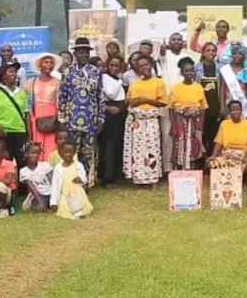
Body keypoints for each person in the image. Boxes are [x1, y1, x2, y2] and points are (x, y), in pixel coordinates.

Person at [58, 37, 106, 186]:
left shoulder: (96, 72)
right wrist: (62, 120)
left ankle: (83, 183)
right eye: (80, 52)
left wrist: (101, 119)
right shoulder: (67, 72)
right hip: (72, 120)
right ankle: (69, 182)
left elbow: (100, 97)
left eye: (86, 52)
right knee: (71, 152)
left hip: (90, 120)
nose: (83, 55)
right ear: (76, 53)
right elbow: (62, 97)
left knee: (87, 153)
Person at [124, 56, 167, 187]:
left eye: (146, 65)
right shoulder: (135, 83)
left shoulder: (158, 82)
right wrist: (133, 102)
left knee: (151, 149)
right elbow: (129, 101)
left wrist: (146, 100)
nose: (144, 68)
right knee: (137, 150)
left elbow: (163, 102)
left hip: (150, 120)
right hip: (137, 120)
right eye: (141, 66)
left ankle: (153, 179)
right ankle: (138, 178)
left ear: (151, 65)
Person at [159, 32, 195, 174]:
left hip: (184, 103)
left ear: (183, 42)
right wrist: (162, 51)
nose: (176, 42)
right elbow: (161, 57)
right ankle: (167, 168)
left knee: (184, 136)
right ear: (169, 41)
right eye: (173, 39)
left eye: (179, 40)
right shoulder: (164, 56)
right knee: (167, 134)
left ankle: (183, 165)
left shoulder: (187, 57)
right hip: (167, 102)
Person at [0, 62, 29, 166]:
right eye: (11, 71)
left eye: (15, 72)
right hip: (2, 132)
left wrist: (29, 135)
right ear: (3, 75)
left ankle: (20, 182)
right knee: (3, 161)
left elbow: (26, 115)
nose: (14, 74)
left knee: (21, 161)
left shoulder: (21, 93)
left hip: (19, 132)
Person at [169, 57, 208, 170]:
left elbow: (203, 107)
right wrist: (173, 125)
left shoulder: (198, 87)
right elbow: (171, 108)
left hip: (195, 121)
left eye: (191, 70)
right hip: (180, 121)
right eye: (187, 71)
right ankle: (178, 169)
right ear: (182, 72)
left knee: (195, 145)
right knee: (180, 144)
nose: (190, 73)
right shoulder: (176, 87)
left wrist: (201, 125)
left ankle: (192, 170)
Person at [26, 52, 62, 161]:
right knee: (37, 147)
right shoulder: (31, 82)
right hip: (36, 117)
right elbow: (28, 103)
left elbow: (60, 103)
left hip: (51, 118)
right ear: (40, 65)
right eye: (46, 62)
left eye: (51, 63)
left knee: (51, 147)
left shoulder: (58, 82)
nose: (49, 65)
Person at [99, 56, 127, 186]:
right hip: (110, 113)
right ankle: (107, 176)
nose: (114, 68)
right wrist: (120, 80)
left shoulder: (115, 79)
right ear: (107, 65)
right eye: (112, 65)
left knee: (117, 144)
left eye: (117, 66)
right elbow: (110, 93)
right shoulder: (105, 78)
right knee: (109, 145)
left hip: (119, 113)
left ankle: (116, 174)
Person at [50, 141, 94, 219]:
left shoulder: (78, 165)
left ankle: (80, 212)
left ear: (74, 153)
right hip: (65, 194)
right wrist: (54, 202)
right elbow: (55, 185)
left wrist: (80, 179)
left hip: (77, 193)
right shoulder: (58, 168)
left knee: (80, 208)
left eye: (71, 152)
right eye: (66, 152)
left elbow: (84, 178)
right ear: (60, 153)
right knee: (66, 210)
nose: (68, 154)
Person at [209, 100, 247, 169]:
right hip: (227, 153)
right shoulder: (224, 124)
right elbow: (219, 142)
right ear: (229, 112)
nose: (235, 112)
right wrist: (214, 155)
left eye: (238, 110)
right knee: (212, 163)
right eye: (232, 110)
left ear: (241, 111)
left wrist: (246, 156)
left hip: (242, 154)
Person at [196, 43, 222, 155]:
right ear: (203, 53)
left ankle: (212, 159)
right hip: (201, 106)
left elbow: (222, 87)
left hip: (215, 105)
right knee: (202, 134)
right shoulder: (197, 67)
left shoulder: (220, 68)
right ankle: (201, 160)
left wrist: (222, 106)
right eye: (208, 50)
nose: (211, 53)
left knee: (214, 134)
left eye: (213, 51)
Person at [219, 44, 247, 116]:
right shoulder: (225, 69)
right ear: (231, 55)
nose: (237, 56)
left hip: (245, 101)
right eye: (235, 54)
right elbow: (222, 88)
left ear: (244, 56)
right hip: (229, 100)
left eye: (240, 54)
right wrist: (222, 106)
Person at [19, 144, 53, 210]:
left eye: (37, 153)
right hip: (39, 195)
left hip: (51, 193)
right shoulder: (23, 171)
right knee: (38, 208)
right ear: (26, 154)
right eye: (32, 153)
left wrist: (55, 197)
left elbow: (53, 182)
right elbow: (32, 188)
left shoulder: (45, 165)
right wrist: (40, 201)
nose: (35, 155)